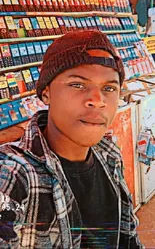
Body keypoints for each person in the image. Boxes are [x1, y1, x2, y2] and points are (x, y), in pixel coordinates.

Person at [0, 29, 144, 249]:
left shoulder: (109, 156)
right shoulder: (15, 176)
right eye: (77, 84)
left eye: (109, 88)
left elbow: (128, 238)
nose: (97, 101)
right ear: (46, 92)